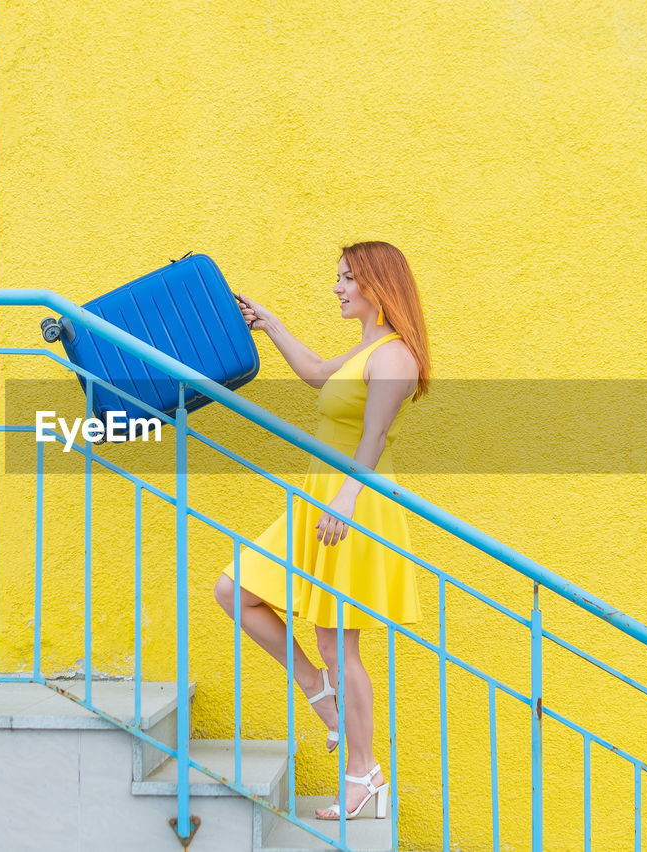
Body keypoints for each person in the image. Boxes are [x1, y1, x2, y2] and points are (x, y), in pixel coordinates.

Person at [213, 240, 429, 821]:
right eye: (337, 277)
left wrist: (347, 500)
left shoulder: (394, 358)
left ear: (377, 285)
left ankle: (365, 776)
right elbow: (315, 373)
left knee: (339, 641)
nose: (336, 288)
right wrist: (270, 324)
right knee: (235, 591)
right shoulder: (366, 350)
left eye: (346, 278)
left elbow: (374, 439)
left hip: (350, 508)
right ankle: (318, 691)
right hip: (317, 501)